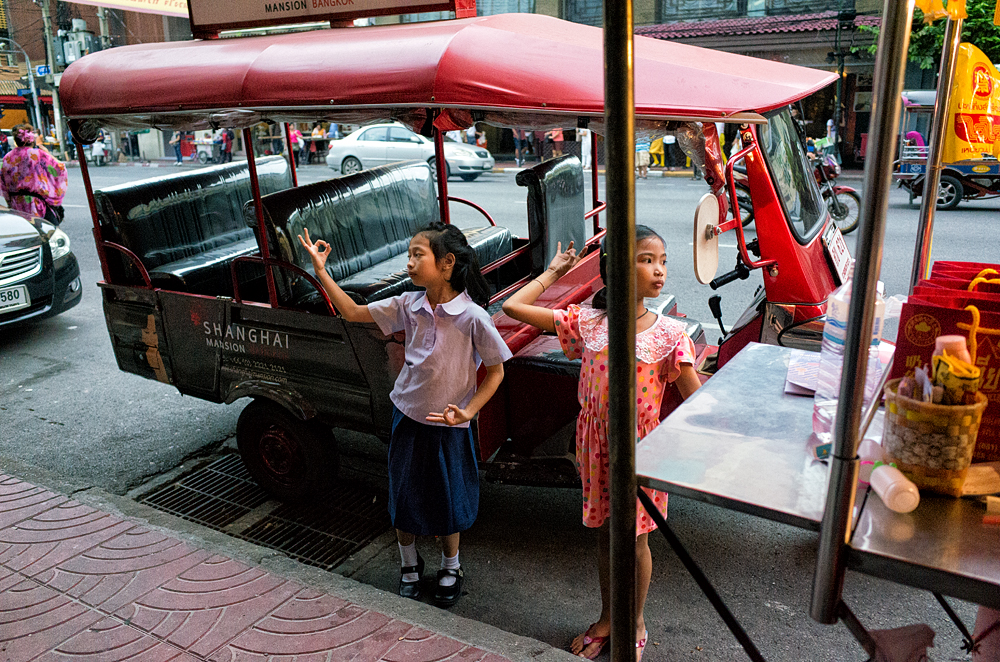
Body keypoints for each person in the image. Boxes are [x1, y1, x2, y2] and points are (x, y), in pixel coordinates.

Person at [502, 228, 701, 661]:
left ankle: (636, 620)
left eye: (663, 260)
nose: (660, 269)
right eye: (647, 259)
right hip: (595, 450)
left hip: (640, 456)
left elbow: (697, 401)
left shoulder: (669, 335)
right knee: (607, 536)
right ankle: (610, 616)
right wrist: (555, 272)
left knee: (636, 541)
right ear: (615, 269)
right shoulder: (588, 324)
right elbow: (511, 307)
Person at [297, 222, 511, 609]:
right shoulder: (407, 305)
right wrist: (321, 271)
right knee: (404, 497)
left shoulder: (473, 317)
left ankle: (452, 566)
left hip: (448, 428)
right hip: (407, 419)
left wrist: (467, 411)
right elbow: (351, 312)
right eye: (409, 254)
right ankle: (408, 565)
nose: (410, 262)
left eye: (418, 254)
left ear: (446, 264)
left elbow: (496, 371)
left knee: (448, 501)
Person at [1, 123, 68, 226]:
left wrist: (10, 202)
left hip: (16, 204)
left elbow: (3, 183)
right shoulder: (38, 154)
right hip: (36, 204)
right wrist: (47, 153)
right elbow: (59, 169)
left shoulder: (7, 157)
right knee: (51, 232)